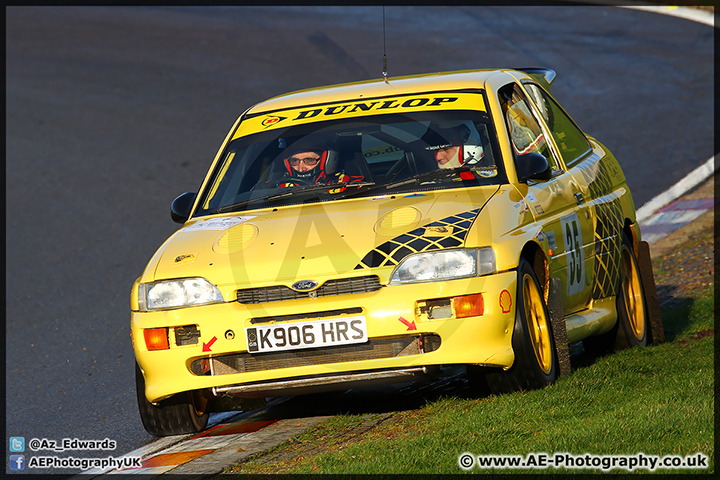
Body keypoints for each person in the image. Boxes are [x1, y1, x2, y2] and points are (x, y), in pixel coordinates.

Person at [276, 147, 363, 187]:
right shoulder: (278, 190)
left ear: (328, 161)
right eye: (294, 161)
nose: (301, 169)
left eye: (309, 161)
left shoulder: (350, 185)